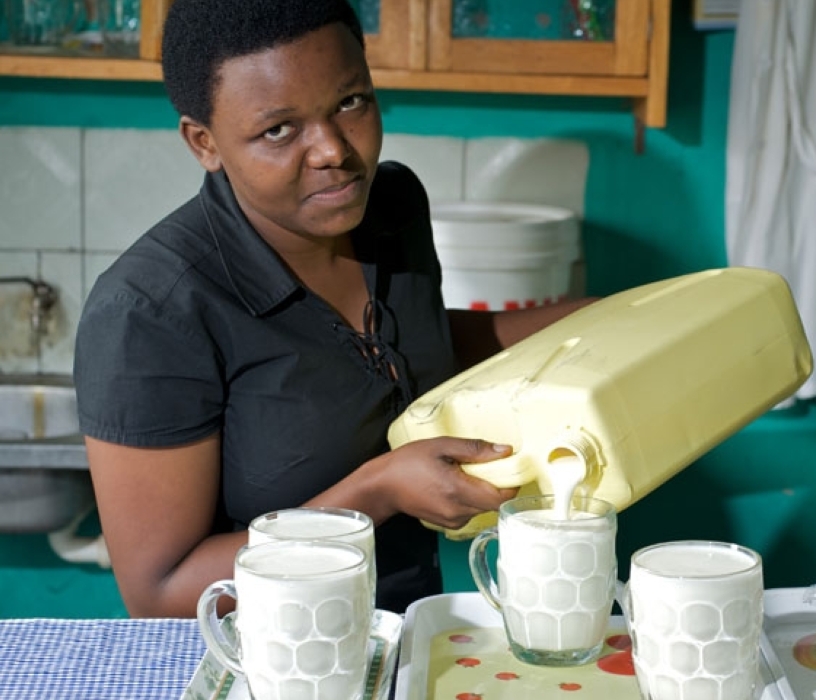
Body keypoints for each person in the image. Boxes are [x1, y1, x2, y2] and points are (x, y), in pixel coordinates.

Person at [73, 0, 593, 618]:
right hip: (269, 663)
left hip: (409, 634)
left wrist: (601, 319)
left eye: (351, 103)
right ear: (204, 142)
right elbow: (162, 594)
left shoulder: (390, 204)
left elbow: (418, 346)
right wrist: (378, 490)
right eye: (278, 130)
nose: (333, 152)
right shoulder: (148, 313)